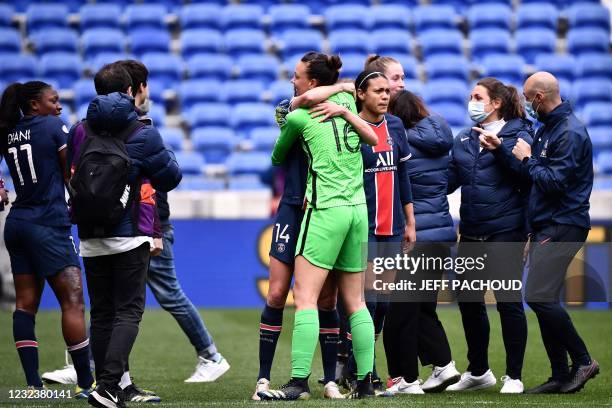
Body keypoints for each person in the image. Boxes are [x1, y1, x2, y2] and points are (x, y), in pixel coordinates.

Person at [257, 52, 378, 400]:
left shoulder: (298, 116)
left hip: (320, 208)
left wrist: (337, 92)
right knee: (287, 294)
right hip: (338, 209)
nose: (292, 80)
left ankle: (305, 381)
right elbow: (365, 130)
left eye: (297, 76)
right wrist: (342, 91)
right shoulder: (340, 102)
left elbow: (277, 156)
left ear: (311, 80)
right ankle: (362, 381)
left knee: (312, 298)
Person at [66, 63, 182, 408]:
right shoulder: (142, 132)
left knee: (101, 313)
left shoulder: (78, 130)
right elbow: (170, 177)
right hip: (130, 233)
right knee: (129, 312)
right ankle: (109, 386)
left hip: (89, 233)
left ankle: (105, 387)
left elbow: (71, 172)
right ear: (130, 92)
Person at [483, 71, 599, 394]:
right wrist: (501, 151)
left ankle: (583, 360)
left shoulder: (570, 133)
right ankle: (561, 374)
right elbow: (533, 174)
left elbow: (554, 182)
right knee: (544, 295)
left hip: (565, 222)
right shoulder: (548, 128)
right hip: (547, 223)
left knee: (537, 294)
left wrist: (529, 158)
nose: (523, 102)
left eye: (526, 96)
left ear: (539, 97)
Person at [120, 59, 230, 385]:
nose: (149, 92)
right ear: (137, 89)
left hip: (150, 225)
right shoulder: (138, 126)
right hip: (144, 224)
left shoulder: (140, 128)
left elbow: (166, 177)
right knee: (122, 299)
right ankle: (92, 361)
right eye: (146, 86)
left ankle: (211, 354)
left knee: (165, 294)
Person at [0, 81, 94, 397]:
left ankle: (33, 385)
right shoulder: (53, 126)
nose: (59, 106)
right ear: (34, 105)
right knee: (73, 301)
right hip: (48, 222)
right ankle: (86, 382)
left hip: (17, 223)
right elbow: (72, 173)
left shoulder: (8, 131)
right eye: (53, 101)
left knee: (25, 305)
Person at [447, 77, 533, 393]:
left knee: (508, 302)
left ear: (495, 103)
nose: (472, 100)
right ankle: (479, 371)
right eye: (471, 95)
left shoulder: (519, 134)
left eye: (477, 96)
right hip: (471, 232)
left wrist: (498, 151)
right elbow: (448, 181)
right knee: (469, 301)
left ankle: (514, 376)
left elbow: (526, 176)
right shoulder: (464, 138)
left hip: (505, 232)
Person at [385, 90, 460, 394]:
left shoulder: (401, 143)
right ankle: (443, 365)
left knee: (401, 312)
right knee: (421, 309)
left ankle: (407, 379)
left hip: (415, 236)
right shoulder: (441, 136)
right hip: (442, 234)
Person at [355, 70, 416, 392]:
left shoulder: (395, 126)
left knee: (384, 302)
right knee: (368, 301)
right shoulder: (351, 125)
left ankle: (362, 365)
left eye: (386, 91)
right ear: (361, 94)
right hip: (362, 227)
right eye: (377, 90)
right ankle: (363, 369)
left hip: (392, 227)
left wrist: (410, 222)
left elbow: (403, 175)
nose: (384, 96)